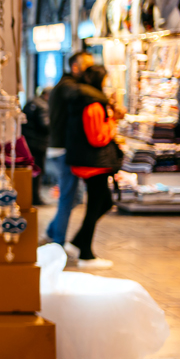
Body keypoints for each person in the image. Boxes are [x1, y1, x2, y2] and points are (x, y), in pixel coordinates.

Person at [65, 64, 123, 269]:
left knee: (104, 202)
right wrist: (113, 123)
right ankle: (86, 255)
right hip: (93, 163)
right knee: (95, 206)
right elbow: (97, 137)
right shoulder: (93, 104)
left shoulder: (84, 100)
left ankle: (76, 243)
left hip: (89, 162)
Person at [46, 51, 96, 247]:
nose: (90, 71)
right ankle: (58, 242)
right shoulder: (68, 86)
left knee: (73, 196)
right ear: (75, 67)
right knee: (68, 196)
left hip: (62, 149)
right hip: (63, 150)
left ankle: (53, 231)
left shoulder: (67, 85)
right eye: (87, 66)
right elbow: (79, 93)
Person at [22, 87, 51, 206]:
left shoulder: (31, 102)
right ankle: (35, 198)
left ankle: (30, 196)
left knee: (31, 171)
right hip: (38, 143)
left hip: (28, 142)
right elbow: (45, 125)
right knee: (37, 171)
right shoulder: (43, 106)